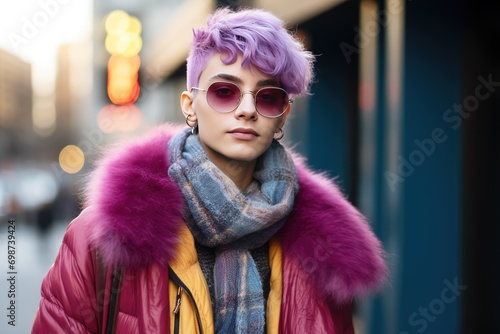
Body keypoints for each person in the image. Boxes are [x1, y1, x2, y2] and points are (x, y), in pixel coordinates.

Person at [32, 7, 387, 334]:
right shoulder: (100, 240)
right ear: (190, 106)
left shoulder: (322, 251)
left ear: (283, 115)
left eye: (268, 96)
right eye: (224, 91)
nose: (247, 109)